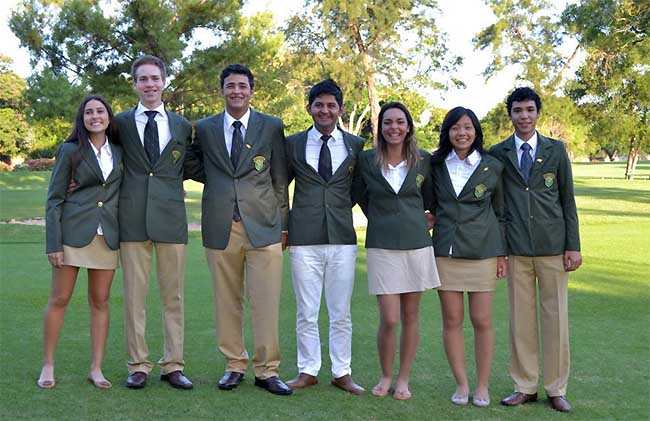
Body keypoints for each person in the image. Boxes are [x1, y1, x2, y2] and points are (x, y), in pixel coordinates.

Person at [184, 64, 291, 395]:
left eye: (242, 86)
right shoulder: (204, 128)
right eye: (230, 86)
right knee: (227, 301)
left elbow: (280, 180)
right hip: (220, 226)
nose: (236, 91)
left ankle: (267, 370)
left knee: (266, 301)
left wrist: (284, 226)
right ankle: (234, 365)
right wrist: (220, 182)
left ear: (251, 90)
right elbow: (190, 164)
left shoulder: (271, 126)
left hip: (264, 227)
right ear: (221, 90)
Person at [490, 87, 582, 413]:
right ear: (510, 114)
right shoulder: (498, 153)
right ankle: (524, 386)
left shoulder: (555, 151)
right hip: (516, 249)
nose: (524, 116)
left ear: (538, 112)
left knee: (556, 320)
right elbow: (496, 207)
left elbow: (567, 200)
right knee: (521, 321)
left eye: (530, 109)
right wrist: (499, 251)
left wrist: (573, 245)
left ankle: (556, 388)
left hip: (553, 249)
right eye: (518, 110)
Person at [352, 101, 440, 400]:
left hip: (416, 246)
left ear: (409, 126)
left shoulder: (423, 161)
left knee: (411, 316)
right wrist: (380, 217)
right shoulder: (366, 160)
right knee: (390, 318)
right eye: (388, 122)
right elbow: (360, 196)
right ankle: (386, 375)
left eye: (400, 122)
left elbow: (432, 199)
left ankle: (403, 379)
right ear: (380, 128)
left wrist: (423, 219)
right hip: (382, 246)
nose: (394, 128)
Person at [115, 55, 193, 390]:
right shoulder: (119, 123)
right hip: (131, 218)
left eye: (154, 78)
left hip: (171, 218)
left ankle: (173, 364)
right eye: (142, 79)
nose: (149, 84)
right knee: (134, 296)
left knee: (173, 296)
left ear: (164, 82)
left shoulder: (182, 125)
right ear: (134, 84)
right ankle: (138, 364)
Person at [284, 79, 365, 394]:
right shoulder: (292, 144)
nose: (325, 110)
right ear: (309, 108)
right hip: (304, 238)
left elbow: (360, 188)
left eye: (331, 105)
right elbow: (279, 187)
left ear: (340, 109)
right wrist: (283, 226)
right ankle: (308, 370)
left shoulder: (356, 145)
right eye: (319, 104)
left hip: (342, 238)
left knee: (340, 311)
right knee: (306, 309)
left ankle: (342, 371)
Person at [40, 95, 122, 389]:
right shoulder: (70, 150)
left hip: (107, 236)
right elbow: (54, 199)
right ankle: (48, 365)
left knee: (100, 301)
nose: (95, 116)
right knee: (60, 299)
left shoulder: (120, 151)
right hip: (72, 234)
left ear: (109, 117)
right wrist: (54, 243)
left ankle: (96, 369)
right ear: (82, 118)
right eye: (89, 112)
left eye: (100, 111)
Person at [430, 107, 507, 407]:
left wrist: (502, 254)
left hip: (484, 252)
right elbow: (427, 203)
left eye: (467, 127)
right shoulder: (435, 164)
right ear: (447, 132)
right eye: (455, 128)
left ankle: (483, 386)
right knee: (452, 320)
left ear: (476, 131)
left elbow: (501, 213)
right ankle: (462, 384)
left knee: (482, 320)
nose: (462, 133)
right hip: (446, 252)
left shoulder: (492, 165)